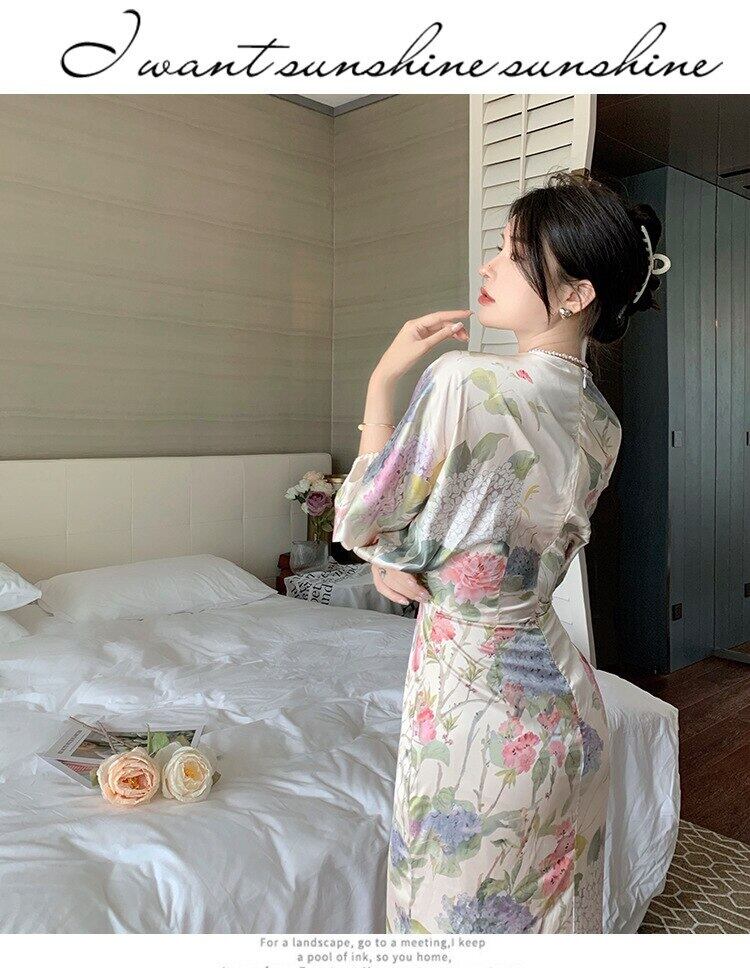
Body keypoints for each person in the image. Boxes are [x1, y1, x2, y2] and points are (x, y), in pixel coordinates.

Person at [332, 170, 670, 934]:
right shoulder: (602, 422)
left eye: (516, 255)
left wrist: (383, 381)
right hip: (567, 709)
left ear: (577, 293)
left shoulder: (463, 381)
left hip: (478, 718)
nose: (489, 264)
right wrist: (402, 556)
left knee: (445, 923)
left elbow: (361, 516)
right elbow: (495, 535)